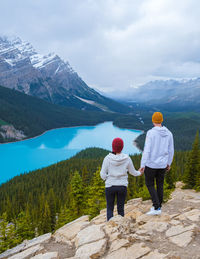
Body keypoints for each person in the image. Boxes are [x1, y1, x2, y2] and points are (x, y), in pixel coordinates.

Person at [100, 137, 143, 221]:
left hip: (110, 186)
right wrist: (140, 173)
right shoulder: (127, 158)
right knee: (120, 208)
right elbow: (133, 172)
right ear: (122, 147)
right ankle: (121, 226)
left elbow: (102, 175)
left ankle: (110, 227)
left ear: (113, 146)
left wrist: (106, 178)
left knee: (110, 208)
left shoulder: (107, 159)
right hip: (122, 186)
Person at [140, 112, 174, 215]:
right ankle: (159, 207)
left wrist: (142, 165)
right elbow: (171, 150)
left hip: (151, 164)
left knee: (149, 184)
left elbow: (147, 150)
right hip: (162, 164)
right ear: (161, 120)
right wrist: (169, 163)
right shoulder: (169, 133)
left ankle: (156, 207)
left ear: (153, 120)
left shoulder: (151, 133)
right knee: (160, 184)